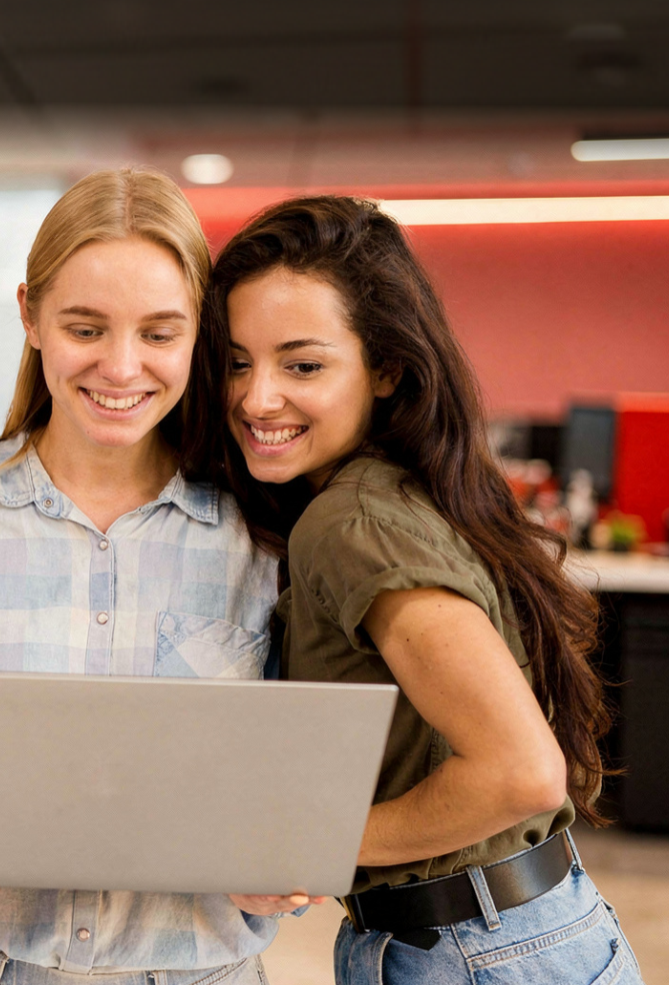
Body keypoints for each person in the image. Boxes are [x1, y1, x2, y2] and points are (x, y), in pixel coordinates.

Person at [0, 166, 291, 985]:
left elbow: (285, 775)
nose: (121, 368)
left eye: (160, 334)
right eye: (86, 327)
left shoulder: (259, 537)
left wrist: (276, 869)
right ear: (30, 316)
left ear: (201, 332)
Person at [201, 194, 642, 984]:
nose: (256, 397)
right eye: (238, 361)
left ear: (386, 368)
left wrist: (305, 842)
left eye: (302, 364)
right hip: (516, 932)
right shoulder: (402, 489)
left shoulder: (349, 521)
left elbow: (519, 772)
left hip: (475, 950)